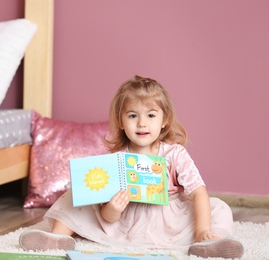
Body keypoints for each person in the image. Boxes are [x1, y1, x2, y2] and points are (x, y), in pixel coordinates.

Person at [19, 75, 244, 259]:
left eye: (151, 115)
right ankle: (57, 238)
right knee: (76, 193)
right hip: (126, 222)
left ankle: (210, 242)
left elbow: (198, 192)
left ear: (165, 120)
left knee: (218, 207)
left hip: (169, 221)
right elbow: (108, 216)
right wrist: (113, 209)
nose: (142, 123)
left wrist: (202, 229)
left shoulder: (175, 154)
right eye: (133, 115)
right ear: (121, 121)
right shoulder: (118, 158)